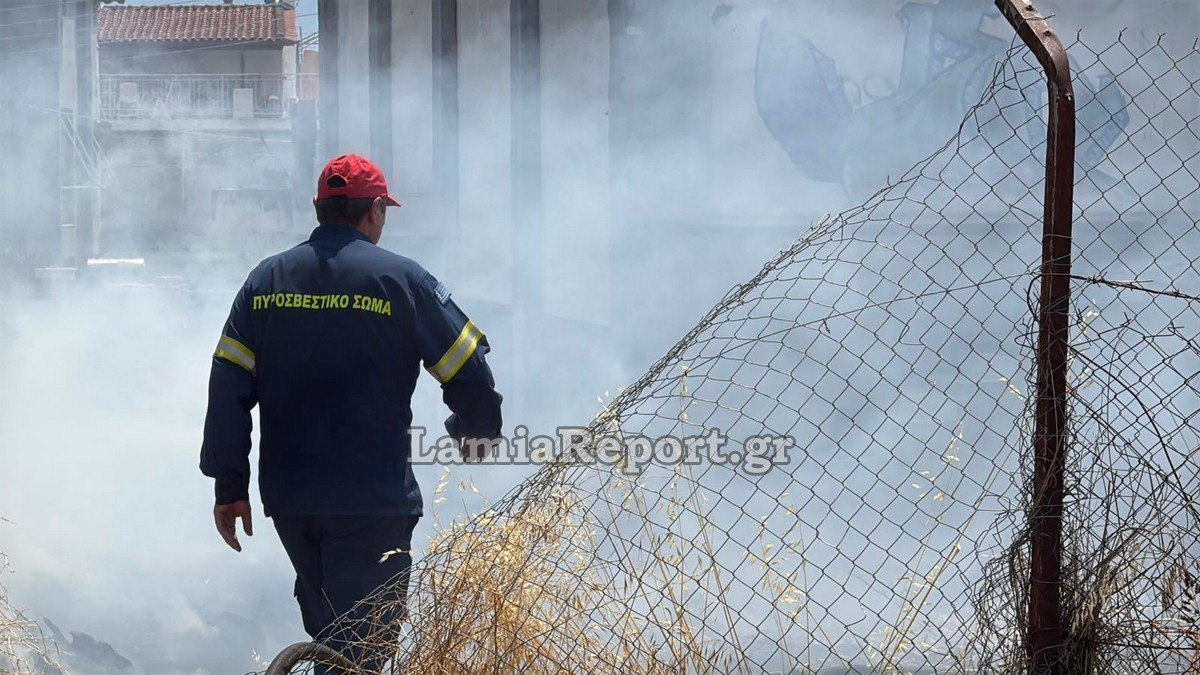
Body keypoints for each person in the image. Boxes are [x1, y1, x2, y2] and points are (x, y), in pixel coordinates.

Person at [200, 153, 503, 670]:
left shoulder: (265, 281)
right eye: (383, 210)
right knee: (360, 650)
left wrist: (229, 486)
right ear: (374, 211)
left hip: (292, 500)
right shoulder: (402, 280)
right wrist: (475, 432)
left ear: (318, 208)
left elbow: (227, 388)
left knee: (332, 636)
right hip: (371, 501)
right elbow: (468, 367)